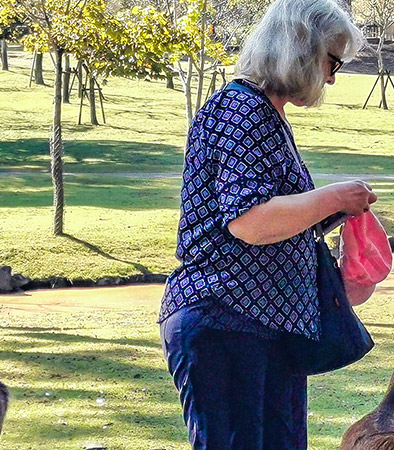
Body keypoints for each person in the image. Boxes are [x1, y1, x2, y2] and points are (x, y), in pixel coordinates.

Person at [157, 0, 374, 448]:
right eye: (331, 61)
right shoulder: (241, 109)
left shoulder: (264, 113)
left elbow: (274, 219)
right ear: (300, 47)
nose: (331, 77)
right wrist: (334, 197)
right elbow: (250, 223)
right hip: (226, 320)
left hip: (263, 328)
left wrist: (337, 214)